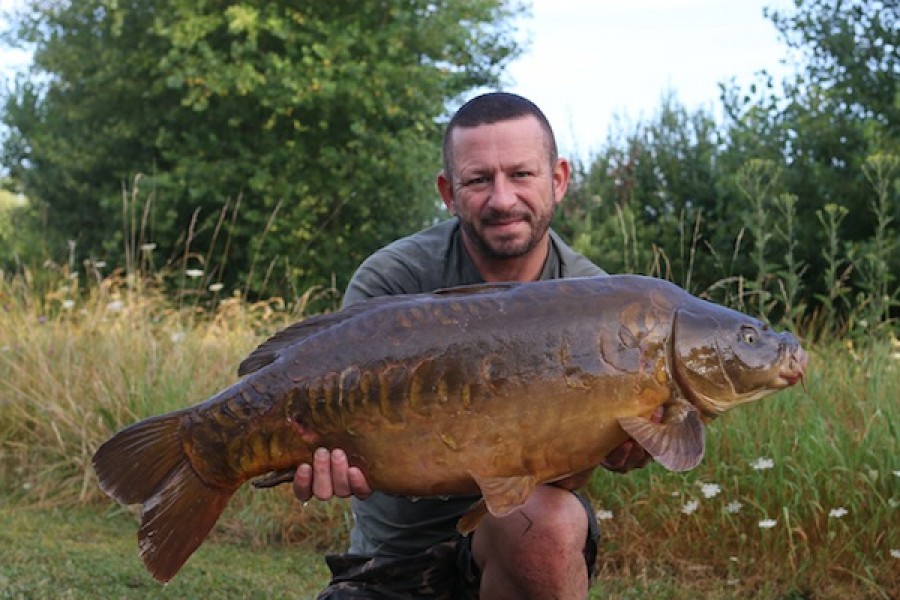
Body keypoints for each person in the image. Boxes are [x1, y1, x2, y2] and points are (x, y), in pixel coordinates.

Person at [294, 92, 652, 599]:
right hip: (392, 563)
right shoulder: (393, 280)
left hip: (514, 547)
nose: (502, 199)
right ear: (448, 190)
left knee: (544, 524)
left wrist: (623, 446)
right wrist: (319, 449)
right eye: (479, 179)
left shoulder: (600, 305)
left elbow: (564, 476)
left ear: (559, 180)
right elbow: (323, 409)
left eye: (521, 175)